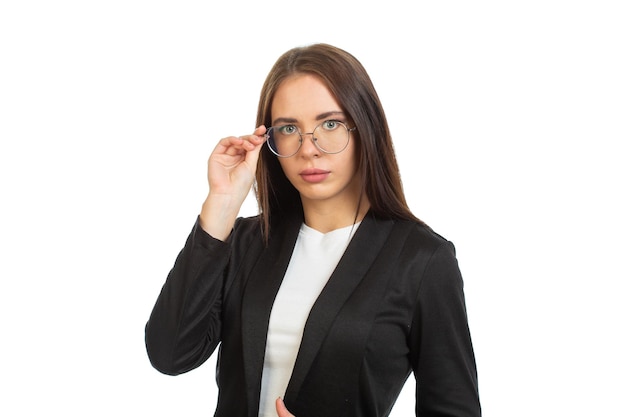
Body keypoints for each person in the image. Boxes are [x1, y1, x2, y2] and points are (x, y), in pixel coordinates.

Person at [145, 43, 481, 417]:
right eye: (290, 128)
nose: (309, 149)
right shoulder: (246, 242)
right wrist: (221, 206)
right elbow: (169, 354)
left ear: (364, 127)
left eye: (330, 124)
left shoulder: (422, 260)